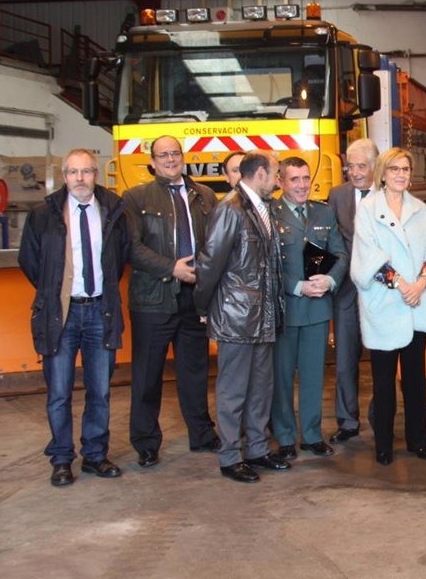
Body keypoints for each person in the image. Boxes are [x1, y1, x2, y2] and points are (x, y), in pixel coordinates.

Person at [19, 148, 130, 487]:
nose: (80, 179)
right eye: (73, 172)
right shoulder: (44, 215)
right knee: (59, 391)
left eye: (86, 172)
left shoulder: (113, 211)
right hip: (61, 314)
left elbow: (121, 255)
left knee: (100, 390)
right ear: (64, 176)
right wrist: (56, 289)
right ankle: (62, 459)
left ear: (96, 175)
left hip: (101, 311)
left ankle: (95, 455)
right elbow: (30, 260)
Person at [123, 135, 220, 468]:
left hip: (194, 298)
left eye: (174, 153)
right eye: (162, 155)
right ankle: (146, 443)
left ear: (183, 157)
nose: (169, 159)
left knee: (194, 372)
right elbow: (132, 248)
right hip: (153, 299)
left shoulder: (205, 196)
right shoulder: (135, 198)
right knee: (147, 375)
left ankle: (202, 435)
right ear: (152, 162)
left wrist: (205, 277)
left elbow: (215, 243)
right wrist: (173, 268)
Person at [194, 150, 289, 483]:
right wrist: (204, 307)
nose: (279, 181)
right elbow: (209, 264)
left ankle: (258, 450)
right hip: (236, 316)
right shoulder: (230, 210)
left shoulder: (264, 208)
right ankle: (231, 456)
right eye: (276, 174)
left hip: (263, 315)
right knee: (234, 390)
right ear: (260, 173)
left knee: (261, 387)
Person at [352, 147, 426, 465]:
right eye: (394, 169)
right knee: (383, 384)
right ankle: (383, 445)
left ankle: (418, 440)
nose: (401, 174)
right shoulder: (367, 208)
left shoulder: (420, 209)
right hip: (385, 308)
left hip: (416, 307)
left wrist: (421, 282)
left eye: (406, 169)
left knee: (415, 381)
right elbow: (367, 256)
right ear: (382, 172)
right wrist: (401, 285)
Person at [270, 157, 348, 460]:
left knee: (315, 376)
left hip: (317, 309)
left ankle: (313, 436)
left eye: (305, 178)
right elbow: (268, 266)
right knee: (283, 377)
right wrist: (296, 286)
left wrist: (330, 280)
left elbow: (339, 253)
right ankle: (286, 437)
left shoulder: (324, 211)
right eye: (294, 179)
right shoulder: (270, 213)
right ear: (280, 182)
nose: (302, 185)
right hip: (286, 308)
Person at [326, 138, 378, 444]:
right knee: (345, 359)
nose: (354, 172)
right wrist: (317, 277)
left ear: (374, 166)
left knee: (383, 360)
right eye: (350, 165)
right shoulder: (337, 195)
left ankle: (379, 415)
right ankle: (347, 421)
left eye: (361, 166)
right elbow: (327, 239)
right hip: (346, 291)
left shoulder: (390, 194)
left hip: (382, 293)